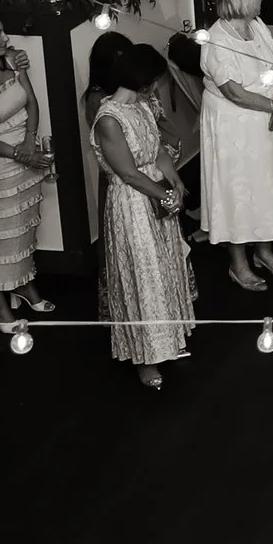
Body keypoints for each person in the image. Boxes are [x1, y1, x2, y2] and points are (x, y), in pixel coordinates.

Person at [89, 41, 195, 389]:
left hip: (156, 193)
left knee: (164, 268)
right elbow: (129, 173)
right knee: (141, 273)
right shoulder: (109, 118)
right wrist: (165, 194)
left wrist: (176, 180)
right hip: (132, 204)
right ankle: (145, 357)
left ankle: (169, 340)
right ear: (146, 80)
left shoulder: (142, 106)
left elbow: (157, 149)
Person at [198, 0, 273, 290]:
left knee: (263, 185)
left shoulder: (257, 26)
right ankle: (238, 264)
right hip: (231, 127)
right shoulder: (216, 41)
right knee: (236, 190)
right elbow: (234, 92)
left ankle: (264, 250)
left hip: (262, 122)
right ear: (238, 0)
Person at [0, 41, 52, 324]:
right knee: (0, 233)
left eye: (3, 30)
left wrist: (30, 140)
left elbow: (31, 99)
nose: (4, 39)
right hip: (1, 162)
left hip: (27, 150)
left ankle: (22, 283)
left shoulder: (13, 61)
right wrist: (18, 154)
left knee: (26, 225)